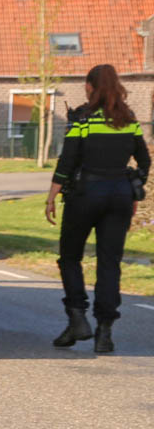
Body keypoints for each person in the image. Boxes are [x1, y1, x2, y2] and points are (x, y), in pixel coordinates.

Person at [45, 64, 150, 353]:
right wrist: (133, 186)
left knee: (70, 257)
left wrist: (52, 195)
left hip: (85, 195)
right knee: (109, 263)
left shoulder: (82, 119)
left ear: (91, 86)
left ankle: (77, 318)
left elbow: (67, 160)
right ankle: (105, 332)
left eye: (86, 84)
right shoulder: (128, 119)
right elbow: (144, 161)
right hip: (119, 198)